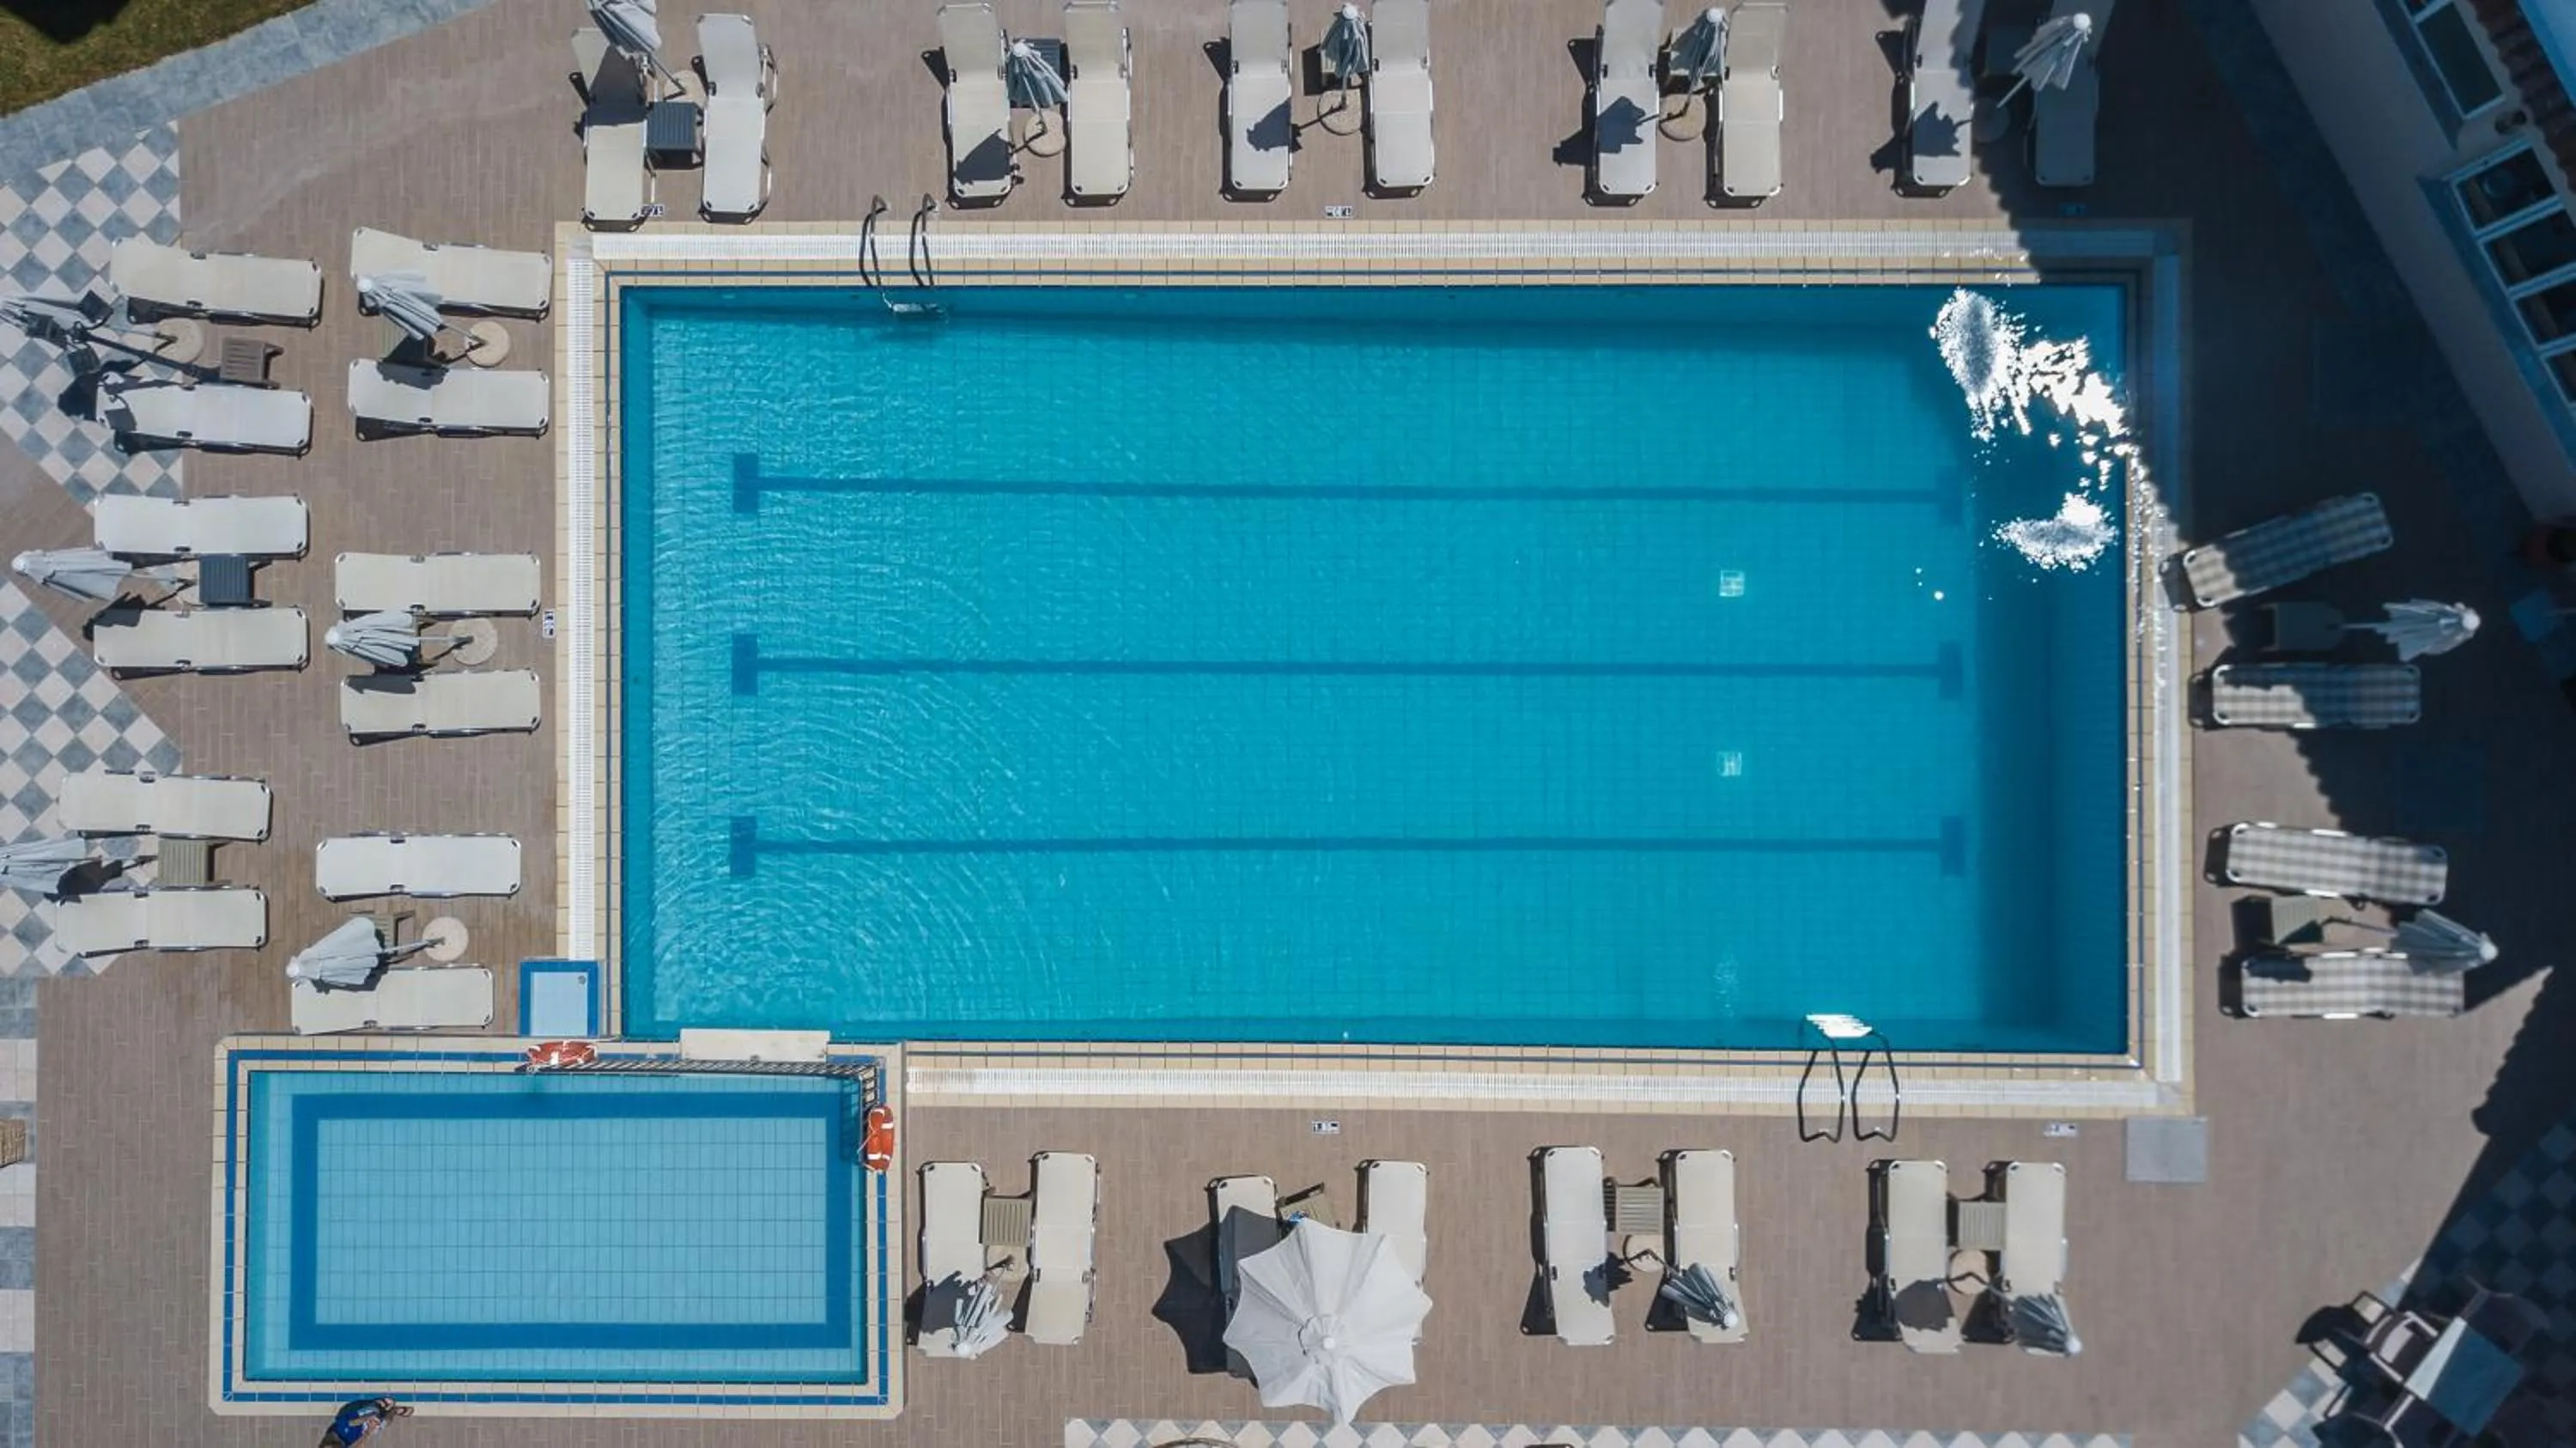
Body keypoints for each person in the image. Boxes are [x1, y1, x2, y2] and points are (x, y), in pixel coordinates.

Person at [319, 1396, 412, 1448]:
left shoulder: (339, 1430)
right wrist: (369, 1431)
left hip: (352, 1415)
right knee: (386, 1422)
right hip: (363, 1428)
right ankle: (394, 1411)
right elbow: (358, 1445)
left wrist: (369, 1418)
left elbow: (353, 1421)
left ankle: (378, 1403)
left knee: (374, 1411)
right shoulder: (343, 1445)